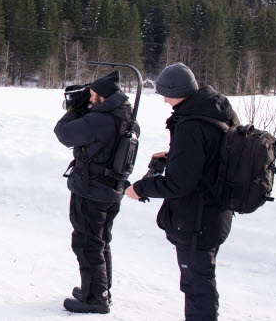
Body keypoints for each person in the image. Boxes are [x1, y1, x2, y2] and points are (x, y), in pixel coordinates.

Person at [125, 63, 238, 321]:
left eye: (165, 93)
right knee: (201, 280)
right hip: (216, 211)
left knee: (197, 286)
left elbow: (179, 184)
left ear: (178, 91)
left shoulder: (191, 124)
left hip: (197, 219)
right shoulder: (216, 108)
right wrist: (175, 155)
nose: (164, 100)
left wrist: (140, 188)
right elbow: (212, 155)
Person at [53, 70, 135, 314]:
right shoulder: (125, 116)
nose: (89, 99)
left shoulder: (101, 120)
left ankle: (95, 299)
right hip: (111, 188)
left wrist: (74, 110)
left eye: (92, 96)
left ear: (102, 97)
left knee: (87, 242)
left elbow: (63, 133)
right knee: (101, 241)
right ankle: (99, 288)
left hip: (92, 189)